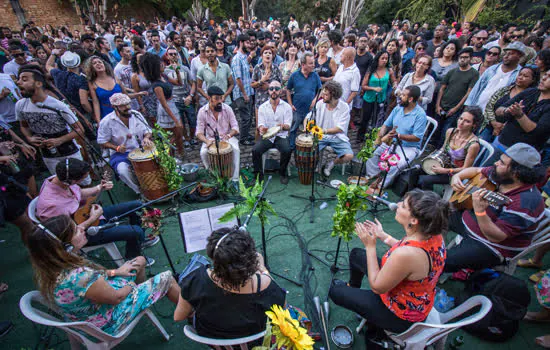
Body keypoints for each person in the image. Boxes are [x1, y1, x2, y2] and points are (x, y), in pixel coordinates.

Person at [27, 215, 179, 335]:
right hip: (108, 321)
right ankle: (195, 315)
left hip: (87, 316)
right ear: (65, 246)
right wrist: (132, 286)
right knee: (167, 279)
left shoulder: (49, 268)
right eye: (76, 230)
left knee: (138, 261)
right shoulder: (78, 276)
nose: (82, 228)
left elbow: (92, 283)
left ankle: (143, 296)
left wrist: (116, 272)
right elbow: (116, 298)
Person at [329, 189, 448, 333]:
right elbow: (410, 250)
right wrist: (384, 236)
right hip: (407, 292)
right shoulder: (434, 235)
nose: (397, 204)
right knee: (355, 255)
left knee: (335, 290)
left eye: (403, 206)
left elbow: (377, 287)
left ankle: (357, 302)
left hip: (399, 314)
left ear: (414, 220)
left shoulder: (405, 255)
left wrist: (370, 246)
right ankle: (352, 287)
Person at [446, 143, 546, 272]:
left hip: (492, 246)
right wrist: (457, 177)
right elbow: (477, 170)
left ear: (516, 173)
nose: (496, 163)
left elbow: (496, 236)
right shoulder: (503, 176)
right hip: (471, 221)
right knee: (426, 214)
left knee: (442, 260)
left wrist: (480, 211)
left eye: (502, 163)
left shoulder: (526, 203)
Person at [36, 158, 158, 263]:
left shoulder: (59, 179)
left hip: (87, 215)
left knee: (138, 205)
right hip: (84, 232)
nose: (83, 181)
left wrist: (99, 187)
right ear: (70, 181)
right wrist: (93, 218)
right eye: (81, 180)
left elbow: (79, 193)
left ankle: (138, 242)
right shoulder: (52, 205)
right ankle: (133, 258)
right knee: (135, 231)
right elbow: (67, 235)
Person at [174, 227, 285, 338]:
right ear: (250, 260)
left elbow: (178, 316)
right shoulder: (267, 287)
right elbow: (282, 310)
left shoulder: (196, 279)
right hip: (255, 343)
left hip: (213, 339)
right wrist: (263, 269)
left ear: (214, 257)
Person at [16, 64, 91, 185]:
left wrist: (59, 140)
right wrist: (29, 138)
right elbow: (24, 126)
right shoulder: (20, 105)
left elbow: (79, 129)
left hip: (68, 150)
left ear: (39, 83)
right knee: (60, 183)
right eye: (19, 79)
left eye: (24, 79)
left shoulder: (57, 105)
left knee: (82, 181)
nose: (18, 82)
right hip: (48, 154)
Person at [365, 85, 427, 190]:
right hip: (392, 142)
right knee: (372, 154)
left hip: (409, 147)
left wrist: (399, 136)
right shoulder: (398, 108)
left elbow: (417, 137)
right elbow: (386, 124)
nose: (399, 97)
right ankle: (374, 175)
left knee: (396, 164)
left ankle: (381, 185)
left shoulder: (420, 115)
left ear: (410, 99)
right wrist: (379, 137)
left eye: (403, 95)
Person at [97, 93, 153, 194]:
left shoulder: (136, 114)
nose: (127, 107)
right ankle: (140, 192)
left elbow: (147, 130)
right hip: (121, 154)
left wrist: (146, 137)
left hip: (140, 149)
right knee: (123, 171)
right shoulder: (106, 122)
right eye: (123, 105)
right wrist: (116, 147)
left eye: (128, 104)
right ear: (114, 107)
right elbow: (101, 141)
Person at [489, 70, 550, 161]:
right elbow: (499, 110)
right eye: (545, 74)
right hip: (501, 143)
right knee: (482, 172)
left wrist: (519, 115)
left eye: (549, 77)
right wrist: (507, 110)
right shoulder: (530, 92)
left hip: (520, 157)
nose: (544, 78)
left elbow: (537, 132)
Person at [417, 107, 482, 190]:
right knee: (415, 170)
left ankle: (427, 200)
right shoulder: (450, 132)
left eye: (467, 121)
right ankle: (411, 197)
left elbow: (465, 169)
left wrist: (444, 170)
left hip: (454, 173)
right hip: (442, 164)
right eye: (461, 118)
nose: (461, 122)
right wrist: (431, 159)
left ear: (474, 125)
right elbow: (443, 150)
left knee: (424, 180)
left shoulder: (473, 145)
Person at [304, 81, 353, 177]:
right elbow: (308, 117)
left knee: (349, 156)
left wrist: (324, 131)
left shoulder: (344, 107)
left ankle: (331, 163)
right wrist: (306, 124)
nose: (322, 96)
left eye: (326, 94)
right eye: (323, 93)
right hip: (320, 136)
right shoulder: (320, 104)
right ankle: (314, 164)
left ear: (334, 95)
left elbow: (340, 128)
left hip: (337, 137)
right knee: (307, 149)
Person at [141, 53, 184, 158]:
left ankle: (180, 153)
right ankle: (170, 155)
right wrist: (175, 120)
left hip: (172, 105)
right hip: (166, 110)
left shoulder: (164, 76)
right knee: (172, 135)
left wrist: (177, 71)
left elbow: (179, 83)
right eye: (160, 64)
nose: (163, 65)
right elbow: (164, 105)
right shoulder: (157, 85)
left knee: (179, 133)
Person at [480, 66, 539, 142]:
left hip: (507, 133)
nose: (520, 77)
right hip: (489, 126)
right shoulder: (505, 90)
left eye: (525, 76)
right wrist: (494, 123)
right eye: (520, 74)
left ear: (533, 80)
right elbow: (489, 105)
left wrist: (502, 126)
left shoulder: (531, 97)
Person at [196, 86, 241, 183]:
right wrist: (206, 141)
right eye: (216, 98)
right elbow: (199, 133)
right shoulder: (202, 111)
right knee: (203, 153)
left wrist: (229, 135)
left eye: (221, 98)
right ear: (209, 98)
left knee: (236, 150)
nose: (220, 101)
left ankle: (235, 179)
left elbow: (235, 127)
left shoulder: (227, 109)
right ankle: (214, 176)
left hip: (227, 137)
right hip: (211, 139)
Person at [435, 47, 479, 144]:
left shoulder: (474, 74)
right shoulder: (452, 71)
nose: (462, 59)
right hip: (442, 104)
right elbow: (442, 88)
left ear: (470, 59)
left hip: (455, 108)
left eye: (466, 57)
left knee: (447, 131)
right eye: (461, 57)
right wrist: (438, 105)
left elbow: (468, 93)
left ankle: (441, 150)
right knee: (436, 129)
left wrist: (456, 108)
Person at [465, 41, 525, 112]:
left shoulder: (519, 74)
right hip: (477, 109)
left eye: (511, 54)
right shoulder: (492, 69)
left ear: (519, 56)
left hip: (494, 115)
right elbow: (477, 88)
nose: (506, 56)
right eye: (506, 53)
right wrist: (468, 107)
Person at [252, 81, 292, 184]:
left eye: (277, 89)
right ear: (268, 91)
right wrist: (261, 129)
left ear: (281, 91)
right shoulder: (262, 107)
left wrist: (283, 126)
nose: (274, 91)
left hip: (280, 135)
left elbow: (288, 126)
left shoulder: (287, 107)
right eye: (271, 88)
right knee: (255, 150)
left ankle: (282, 173)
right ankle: (258, 176)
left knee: (287, 150)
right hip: (267, 136)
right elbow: (260, 124)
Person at [286, 52, 322, 150]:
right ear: (303, 65)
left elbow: (320, 90)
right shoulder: (294, 75)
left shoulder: (315, 75)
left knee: (310, 129)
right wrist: (290, 104)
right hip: (297, 108)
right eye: (310, 63)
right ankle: (291, 147)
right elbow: (288, 90)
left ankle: (310, 147)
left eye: (313, 63)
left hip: (310, 110)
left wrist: (315, 100)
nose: (313, 65)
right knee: (293, 129)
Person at [164, 46, 197, 148]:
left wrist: (190, 96)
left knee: (192, 120)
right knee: (180, 121)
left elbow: (192, 84)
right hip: (175, 101)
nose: (173, 56)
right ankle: (185, 138)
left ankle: (192, 138)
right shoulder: (165, 71)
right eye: (171, 54)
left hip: (186, 98)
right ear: (167, 56)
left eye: (175, 54)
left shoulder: (185, 68)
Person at [359, 51, 395, 138]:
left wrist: (394, 86)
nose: (384, 60)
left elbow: (394, 81)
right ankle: (360, 136)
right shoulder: (371, 70)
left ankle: (373, 136)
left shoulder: (389, 70)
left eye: (386, 59)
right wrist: (373, 88)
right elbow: (363, 86)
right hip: (369, 98)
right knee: (365, 118)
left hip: (381, 99)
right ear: (378, 59)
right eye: (382, 58)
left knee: (377, 119)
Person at [46, 50, 92, 116]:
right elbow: (84, 103)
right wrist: (92, 113)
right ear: (78, 63)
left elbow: (48, 65)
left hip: (67, 112)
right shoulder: (82, 80)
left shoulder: (58, 74)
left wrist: (53, 54)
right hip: (82, 113)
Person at [252, 46, 283, 136]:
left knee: (272, 127)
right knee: (259, 127)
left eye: (270, 53)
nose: (268, 54)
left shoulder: (276, 69)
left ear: (273, 56)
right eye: (265, 53)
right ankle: (257, 147)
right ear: (262, 55)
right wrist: (261, 81)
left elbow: (281, 85)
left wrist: (270, 86)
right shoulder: (257, 68)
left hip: (273, 102)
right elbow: (252, 84)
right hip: (260, 102)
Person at [231, 34, 255, 146]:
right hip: (241, 94)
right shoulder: (236, 59)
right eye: (247, 43)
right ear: (241, 43)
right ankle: (242, 138)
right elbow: (238, 79)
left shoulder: (244, 57)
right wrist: (244, 94)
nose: (249, 45)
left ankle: (246, 134)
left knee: (249, 116)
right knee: (245, 117)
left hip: (248, 92)